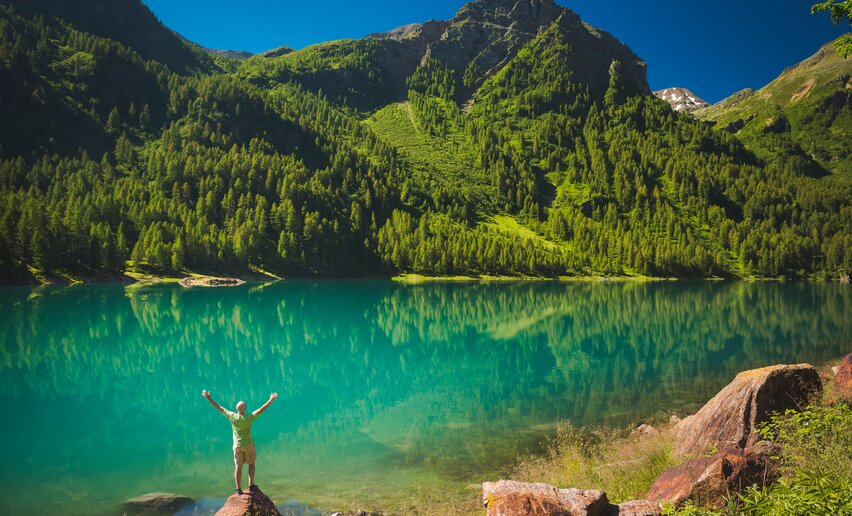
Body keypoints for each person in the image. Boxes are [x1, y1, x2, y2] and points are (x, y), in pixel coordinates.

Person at [202, 389, 278, 495]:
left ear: (237, 409)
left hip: (237, 446)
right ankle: (251, 486)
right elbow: (261, 409)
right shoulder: (248, 417)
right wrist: (270, 400)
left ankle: (238, 489)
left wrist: (208, 398)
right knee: (251, 464)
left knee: (238, 467)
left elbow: (219, 407)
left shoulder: (232, 416)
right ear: (245, 408)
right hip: (248, 445)